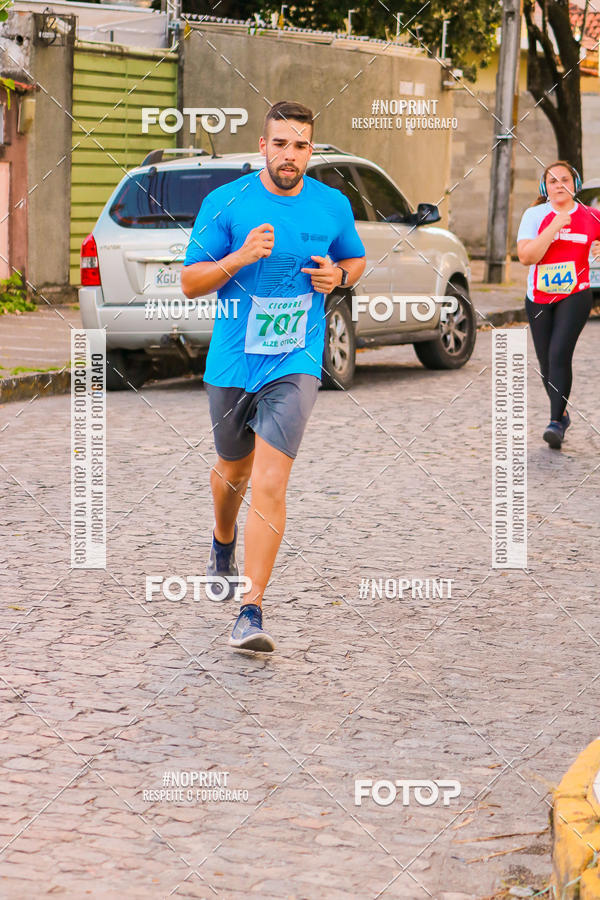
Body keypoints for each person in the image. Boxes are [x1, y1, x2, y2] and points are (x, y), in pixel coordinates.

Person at [181, 100, 366, 651]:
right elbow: (190, 282)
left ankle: (251, 609)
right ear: (262, 147)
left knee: (270, 481)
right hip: (234, 362)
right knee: (232, 471)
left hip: (296, 358)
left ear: (313, 149)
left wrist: (338, 274)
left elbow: (353, 260)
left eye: (301, 145)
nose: (290, 155)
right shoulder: (226, 202)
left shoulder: (331, 204)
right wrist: (238, 258)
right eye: (280, 144)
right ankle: (221, 539)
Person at [517, 160, 600, 449]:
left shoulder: (592, 216)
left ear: (575, 184)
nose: (559, 185)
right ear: (545, 187)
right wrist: (554, 225)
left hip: (575, 294)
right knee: (545, 363)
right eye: (553, 181)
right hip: (539, 297)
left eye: (565, 179)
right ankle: (562, 414)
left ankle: (554, 423)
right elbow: (527, 257)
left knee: (559, 354)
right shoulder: (534, 215)